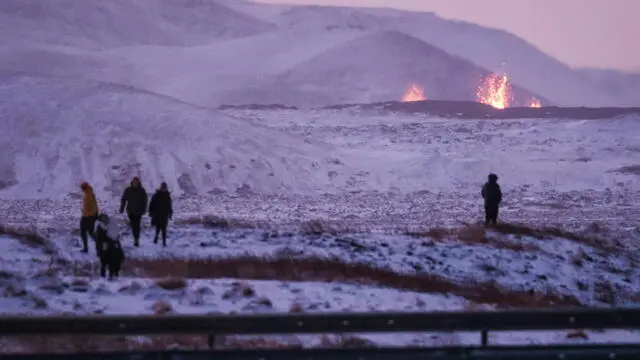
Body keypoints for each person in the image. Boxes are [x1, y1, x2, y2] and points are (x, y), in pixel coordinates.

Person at [119, 177, 148, 247]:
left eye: (137, 182)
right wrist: (122, 208)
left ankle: (136, 240)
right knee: (133, 226)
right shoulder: (128, 190)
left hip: (139, 212)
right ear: (132, 182)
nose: (135, 184)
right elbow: (124, 199)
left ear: (139, 183)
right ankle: (135, 237)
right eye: (134, 182)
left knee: (137, 226)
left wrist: (144, 209)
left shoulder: (142, 191)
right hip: (131, 211)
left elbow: (145, 201)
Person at [95, 214, 125, 279]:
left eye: (106, 219)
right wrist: (101, 247)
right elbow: (99, 240)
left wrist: (116, 243)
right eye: (104, 219)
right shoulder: (100, 228)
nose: (106, 220)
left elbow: (116, 236)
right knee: (104, 262)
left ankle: (114, 275)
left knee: (114, 261)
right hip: (104, 247)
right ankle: (103, 277)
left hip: (112, 247)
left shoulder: (111, 225)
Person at [148, 182, 173, 247]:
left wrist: (170, 214)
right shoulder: (156, 195)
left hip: (164, 215)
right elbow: (151, 204)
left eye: (164, 188)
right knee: (158, 228)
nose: (163, 189)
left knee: (164, 229)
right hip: (157, 214)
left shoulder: (167, 196)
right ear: (161, 187)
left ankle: (164, 242)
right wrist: (150, 212)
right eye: (162, 187)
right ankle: (156, 238)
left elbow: (169, 206)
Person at [79, 182, 99, 253]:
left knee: (83, 232)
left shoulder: (88, 195)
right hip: (91, 216)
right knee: (90, 232)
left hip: (88, 217)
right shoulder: (90, 194)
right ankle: (100, 245)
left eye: (82, 188)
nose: (82, 189)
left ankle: (86, 248)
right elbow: (95, 205)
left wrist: (88, 214)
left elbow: (92, 206)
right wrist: (96, 214)